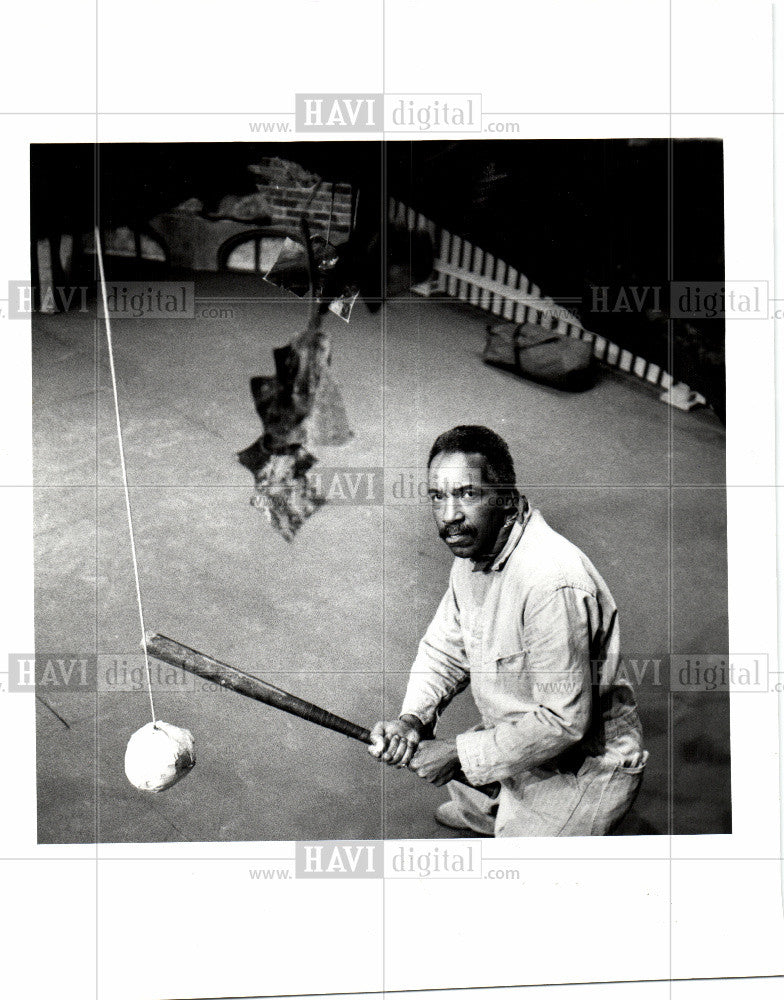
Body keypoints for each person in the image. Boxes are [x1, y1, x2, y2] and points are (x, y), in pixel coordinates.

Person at [369, 425, 648, 837]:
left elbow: (563, 722)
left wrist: (459, 756)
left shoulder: (551, 584)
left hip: (580, 766)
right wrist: (413, 720)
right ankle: (499, 801)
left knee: (520, 884)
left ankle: (519, 812)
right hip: (521, 728)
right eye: (438, 496)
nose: (449, 516)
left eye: (468, 494)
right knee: (483, 770)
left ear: (509, 503)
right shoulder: (474, 551)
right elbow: (445, 651)